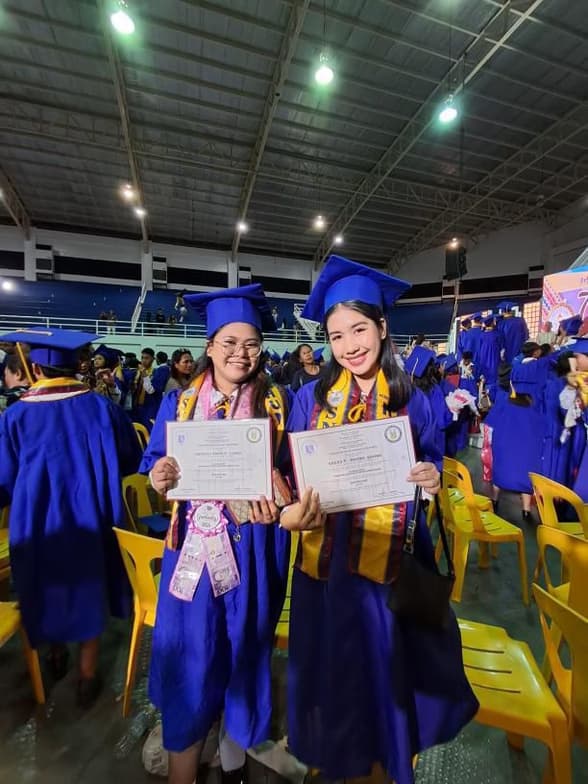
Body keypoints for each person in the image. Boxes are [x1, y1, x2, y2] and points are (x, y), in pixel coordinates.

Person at [280, 256, 478, 784]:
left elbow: (432, 461)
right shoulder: (310, 399)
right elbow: (292, 475)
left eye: (359, 328)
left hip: (392, 561)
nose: (349, 345)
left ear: (383, 328)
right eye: (337, 334)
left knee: (386, 671)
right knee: (336, 673)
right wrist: (290, 509)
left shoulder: (415, 400)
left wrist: (432, 479)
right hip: (326, 566)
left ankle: (385, 763)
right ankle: (344, 764)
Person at [140, 284, 291, 784]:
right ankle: (186, 763)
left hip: (253, 553)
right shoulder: (178, 403)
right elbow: (152, 464)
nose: (239, 354)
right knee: (191, 658)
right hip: (191, 558)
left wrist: (283, 481)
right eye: (228, 342)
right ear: (209, 346)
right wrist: (159, 472)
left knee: (244, 653)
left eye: (250, 344)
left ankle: (231, 760)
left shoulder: (280, 402)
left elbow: (300, 472)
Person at [0, 328, 140, 706]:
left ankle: (55, 653)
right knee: (89, 585)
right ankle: (87, 675)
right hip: (90, 514)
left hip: (37, 521)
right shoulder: (102, 407)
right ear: (77, 365)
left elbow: (5, 479)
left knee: (47, 583)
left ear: (35, 368)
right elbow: (130, 458)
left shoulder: (15, 416)